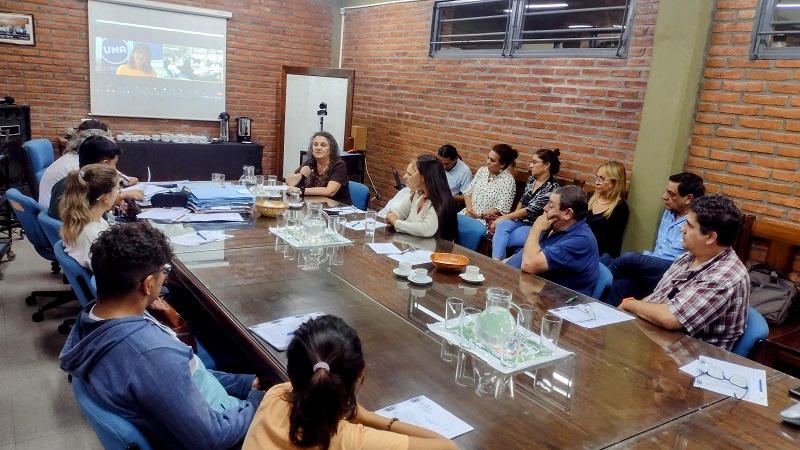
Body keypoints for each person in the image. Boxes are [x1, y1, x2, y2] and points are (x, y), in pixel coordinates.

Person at [60, 222, 264, 449]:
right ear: (148, 284)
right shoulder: (151, 355)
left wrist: (243, 383)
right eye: (163, 272)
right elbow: (213, 437)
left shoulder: (92, 317)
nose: (164, 279)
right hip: (228, 433)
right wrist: (260, 402)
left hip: (207, 411)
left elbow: (189, 373)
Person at [243, 315, 456, 450]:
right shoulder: (351, 440)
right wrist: (371, 418)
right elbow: (447, 447)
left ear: (292, 373)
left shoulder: (275, 394)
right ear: (361, 373)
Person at [619, 195, 749, 351]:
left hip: (693, 359)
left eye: (689, 225)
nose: (682, 229)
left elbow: (670, 317)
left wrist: (629, 303)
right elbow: (657, 297)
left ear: (710, 237)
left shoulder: (725, 277)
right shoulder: (690, 256)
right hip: (659, 342)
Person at [603, 173, 705, 306]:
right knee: (619, 283)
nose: (664, 196)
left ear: (688, 198)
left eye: (671, 194)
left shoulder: (697, 221)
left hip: (675, 270)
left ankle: (593, 283)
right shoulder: (669, 211)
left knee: (628, 259)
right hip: (655, 269)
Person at [505, 185, 599, 296]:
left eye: (551, 205)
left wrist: (536, 228)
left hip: (558, 305)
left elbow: (529, 264)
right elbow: (520, 257)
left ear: (567, 213)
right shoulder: (555, 228)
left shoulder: (581, 240)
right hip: (532, 291)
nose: (545, 208)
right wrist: (500, 266)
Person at [48, 135, 142, 220]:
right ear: (105, 164)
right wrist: (120, 196)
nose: (115, 169)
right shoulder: (91, 190)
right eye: (114, 164)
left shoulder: (69, 181)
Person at [491, 148, 561, 260]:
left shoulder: (552, 188)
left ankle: (503, 262)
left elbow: (529, 210)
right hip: (520, 221)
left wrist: (504, 217)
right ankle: (497, 261)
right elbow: (523, 201)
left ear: (546, 165)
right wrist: (510, 219)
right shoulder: (532, 180)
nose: (530, 165)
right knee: (502, 225)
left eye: (534, 162)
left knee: (503, 237)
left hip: (534, 226)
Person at [39, 119, 116, 209]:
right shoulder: (77, 166)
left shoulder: (75, 157)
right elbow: (94, 200)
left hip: (58, 211)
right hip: (61, 215)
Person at [59, 164, 119, 269]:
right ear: (106, 197)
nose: (119, 192)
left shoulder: (84, 219)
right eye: (117, 189)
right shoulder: (91, 235)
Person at [385, 155, 457, 241]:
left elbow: (426, 229)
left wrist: (397, 223)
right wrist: (393, 217)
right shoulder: (418, 194)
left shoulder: (440, 202)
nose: (405, 177)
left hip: (434, 250)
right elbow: (396, 212)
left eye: (410, 174)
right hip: (413, 245)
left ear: (424, 177)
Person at [460, 143, 518, 228]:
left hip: (485, 220)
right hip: (467, 213)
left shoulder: (508, 181)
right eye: (488, 158)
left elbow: (502, 209)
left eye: (492, 160)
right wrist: (469, 210)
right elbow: (468, 192)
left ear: (503, 164)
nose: (488, 162)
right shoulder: (482, 171)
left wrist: (479, 215)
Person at [286, 131, 352, 205]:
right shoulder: (311, 162)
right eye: (315, 145)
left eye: (323, 145)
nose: (318, 148)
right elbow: (288, 181)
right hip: (316, 207)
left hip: (338, 209)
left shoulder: (339, 165)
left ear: (331, 149)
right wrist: (299, 175)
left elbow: (330, 191)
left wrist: (302, 191)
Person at [586, 161, 629, 258]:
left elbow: (611, 244)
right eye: (596, 177)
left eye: (602, 179)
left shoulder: (620, 207)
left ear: (615, 182)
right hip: (579, 247)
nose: (597, 182)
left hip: (600, 255)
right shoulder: (589, 197)